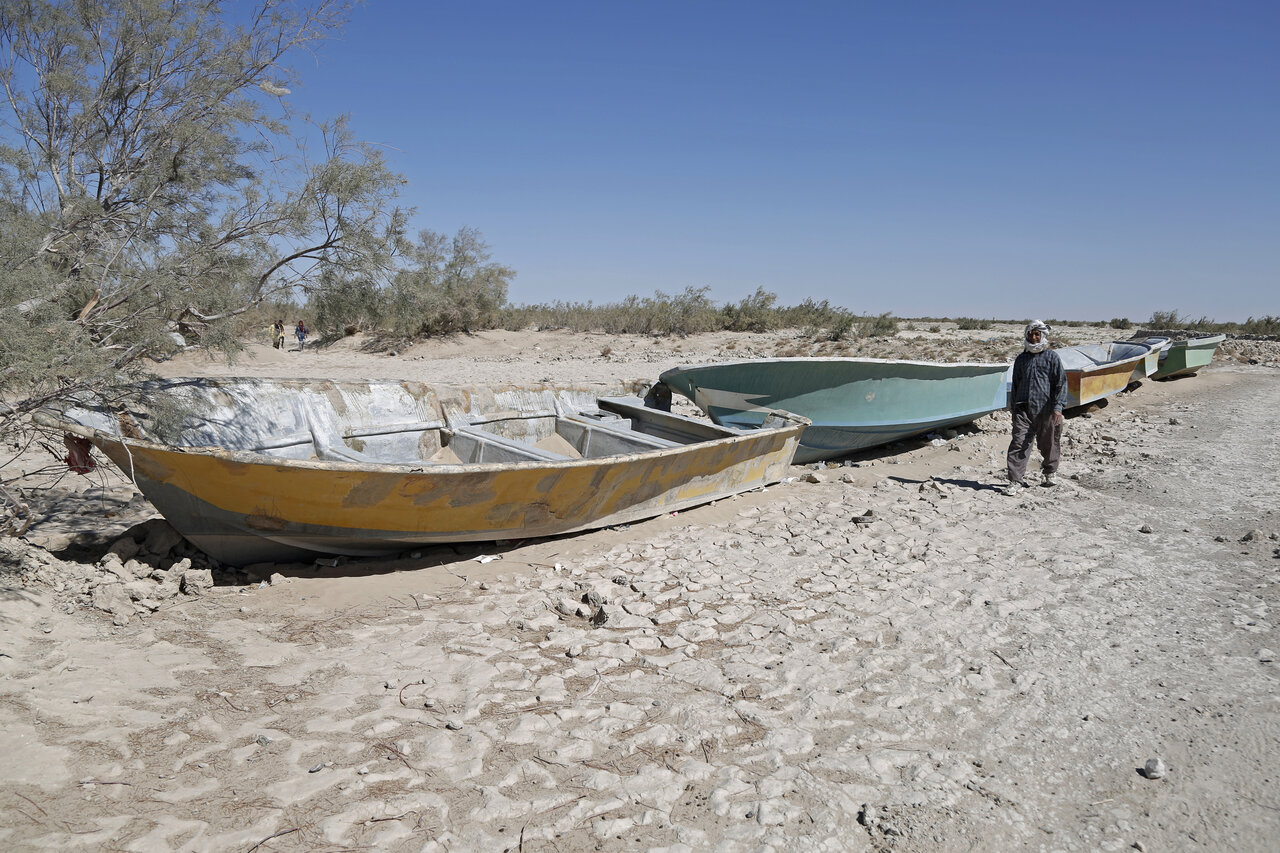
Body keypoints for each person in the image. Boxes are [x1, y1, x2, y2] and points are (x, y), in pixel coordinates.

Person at [1005, 320, 1067, 496]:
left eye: (1037, 334)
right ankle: (1015, 480)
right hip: (1023, 409)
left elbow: (1060, 383)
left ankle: (1049, 472)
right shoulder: (1021, 359)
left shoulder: (1052, 357)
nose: (1033, 337)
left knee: (1049, 442)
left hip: (1046, 409)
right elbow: (1015, 384)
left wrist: (1058, 407)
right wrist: (1013, 408)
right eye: (1031, 334)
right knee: (1019, 443)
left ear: (1042, 336)